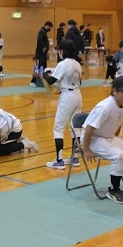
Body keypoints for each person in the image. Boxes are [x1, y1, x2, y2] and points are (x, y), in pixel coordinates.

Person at [81, 76, 123, 204]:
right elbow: (89, 128)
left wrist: (115, 140)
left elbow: (119, 124)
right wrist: (86, 149)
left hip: (108, 137)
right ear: (114, 91)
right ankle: (113, 190)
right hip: (93, 138)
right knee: (119, 155)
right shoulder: (105, 107)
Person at [44, 39, 83, 169]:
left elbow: (51, 80)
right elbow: (74, 82)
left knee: (58, 128)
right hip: (77, 95)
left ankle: (59, 160)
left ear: (63, 51)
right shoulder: (77, 64)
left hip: (67, 97)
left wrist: (44, 75)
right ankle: (74, 158)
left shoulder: (63, 63)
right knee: (75, 127)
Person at [31, 21, 53, 85]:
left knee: (43, 67)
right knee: (38, 66)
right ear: (47, 26)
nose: (50, 29)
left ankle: (41, 81)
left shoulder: (44, 32)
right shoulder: (42, 32)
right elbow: (39, 40)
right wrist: (44, 47)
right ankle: (33, 81)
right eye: (50, 27)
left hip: (43, 53)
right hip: (40, 53)